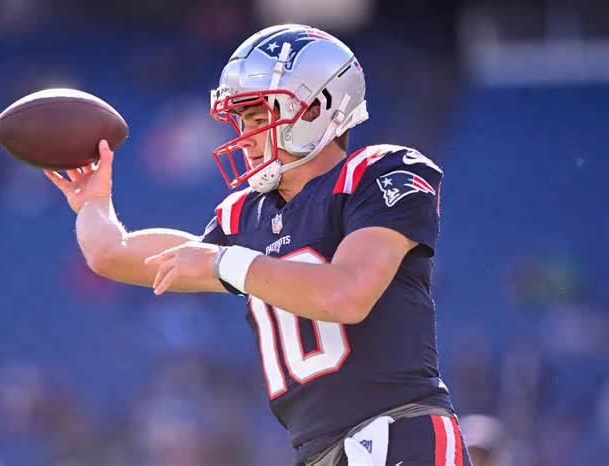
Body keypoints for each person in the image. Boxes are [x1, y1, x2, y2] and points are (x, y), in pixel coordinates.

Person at [44, 24, 471, 466]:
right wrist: (93, 202)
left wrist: (226, 261)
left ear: (318, 108)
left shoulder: (376, 172)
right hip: (320, 453)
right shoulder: (245, 217)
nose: (244, 137)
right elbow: (112, 253)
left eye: (259, 117)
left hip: (399, 435)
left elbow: (346, 294)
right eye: (240, 120)